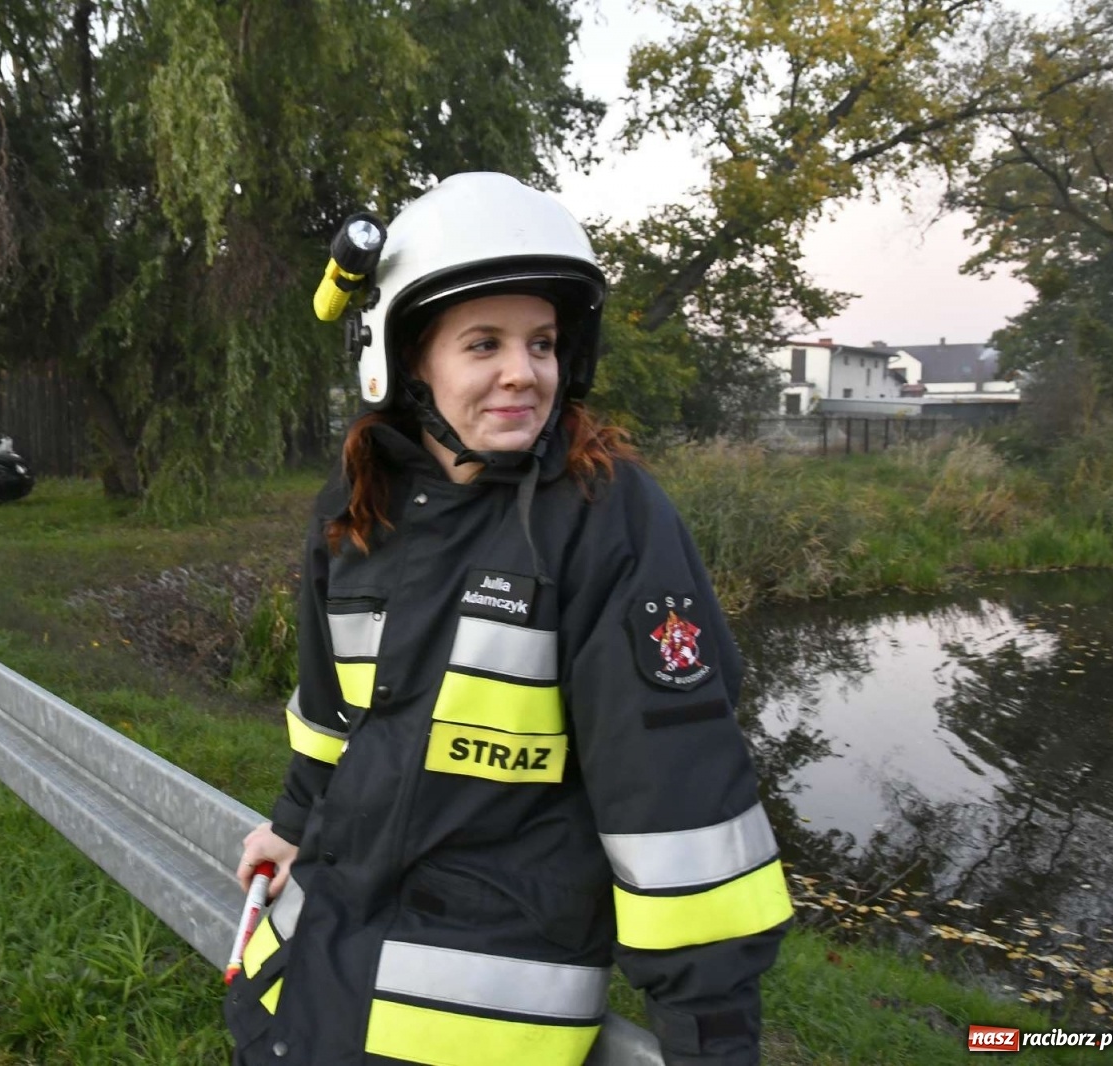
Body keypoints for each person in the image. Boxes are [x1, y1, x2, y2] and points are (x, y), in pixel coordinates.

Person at [224, 172, 792, 1066]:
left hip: (479, 1028)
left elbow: (678, 802)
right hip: (305, 991)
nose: (522, 374)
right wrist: (293, 824)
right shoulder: (358, 509)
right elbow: (332, 713)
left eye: (543, 342)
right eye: (483, 343)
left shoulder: (609, 518)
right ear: (408, 357)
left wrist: (713, 1043)